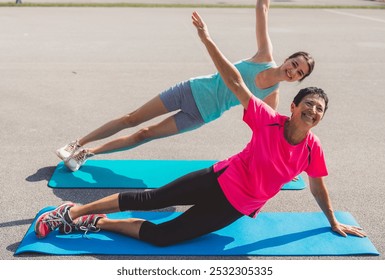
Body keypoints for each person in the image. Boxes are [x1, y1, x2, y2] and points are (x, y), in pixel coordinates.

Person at [34, 12, 366, 246]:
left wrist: (333, 221)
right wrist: (207, 39)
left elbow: (318, 186)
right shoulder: (267, 112)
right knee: (150, 191)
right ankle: (72, 209)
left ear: (319, 117)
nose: (312, 111)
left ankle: (96, 221)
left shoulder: (308, 144)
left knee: (163, 236)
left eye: (318, 109)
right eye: (308, 104)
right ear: (295, 106)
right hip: (217, 166)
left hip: (234, 200)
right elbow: (236, 80)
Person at [56, 0, 315, 172]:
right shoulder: (264, 55)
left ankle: (87, 154)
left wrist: (281, 164)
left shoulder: (272, 97)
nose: (292, 70)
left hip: (201, 115)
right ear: (288, 59)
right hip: (189, 91)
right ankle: (76, 143)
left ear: (299, 80)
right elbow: (263, 9)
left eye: (299, 72)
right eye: (294, 63)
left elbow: (266, 133)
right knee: (132, 118)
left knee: (144, 134)